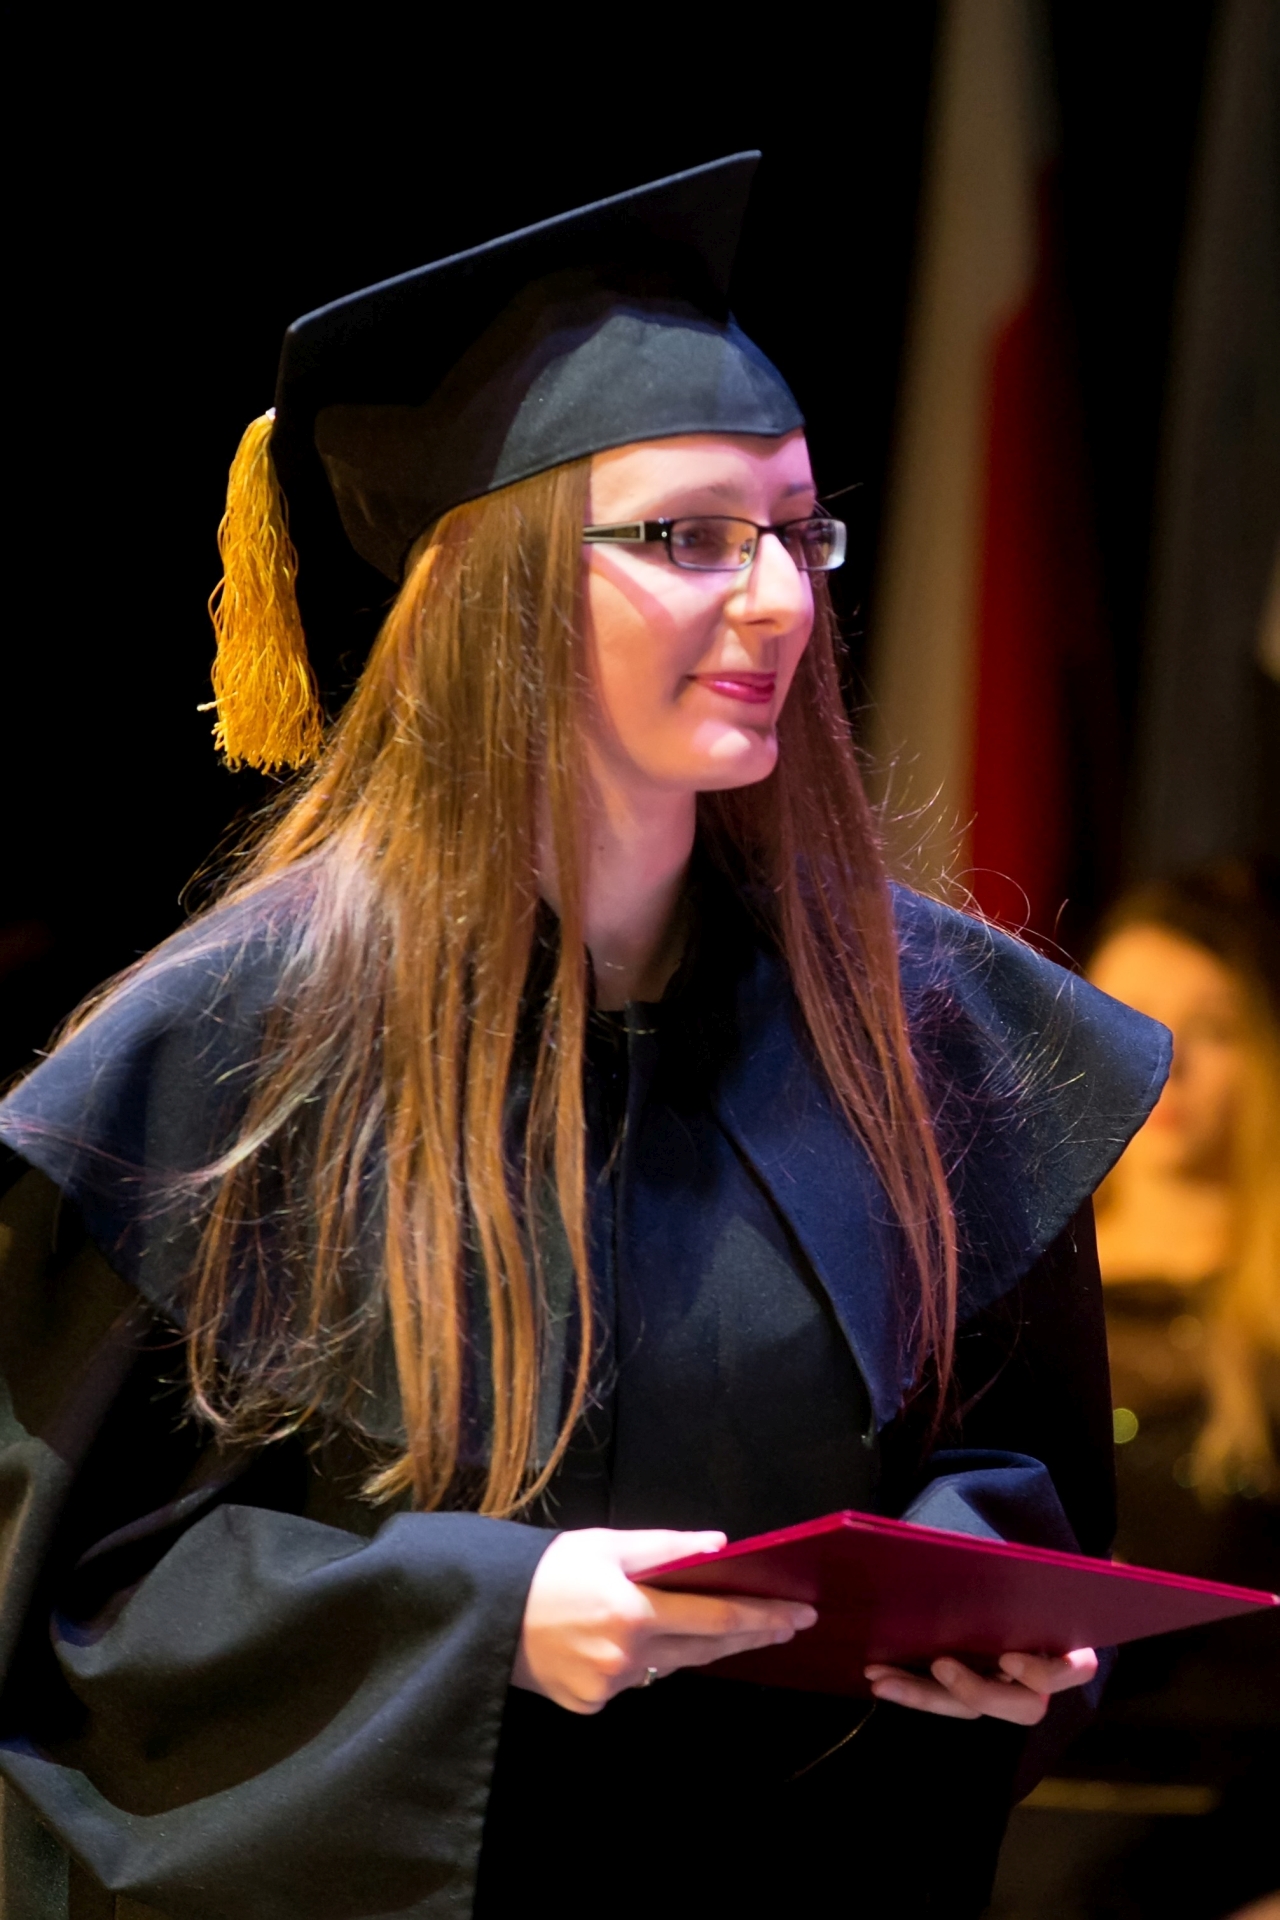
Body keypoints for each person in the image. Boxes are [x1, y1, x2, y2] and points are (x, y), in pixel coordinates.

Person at [0, 157, 1167, 1920]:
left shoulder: (923, 1023)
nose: (778, 601)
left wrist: (975, 1576)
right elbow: (69, 1602)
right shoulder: (221, 1058)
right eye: (692, 538)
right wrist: (488, 1618)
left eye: (797, 531)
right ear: (495, 590)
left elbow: (1017, 1455)